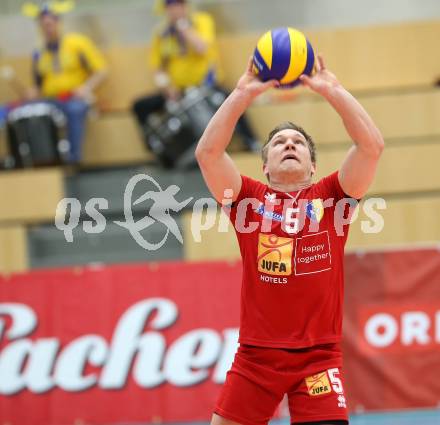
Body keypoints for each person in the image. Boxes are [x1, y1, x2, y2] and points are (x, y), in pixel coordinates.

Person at [195, 55, 384, 425]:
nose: (289, 144)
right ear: (265, 166)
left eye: (298, 141)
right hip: (256, 358)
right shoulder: (248, 201)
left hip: (319, 357)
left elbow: (371, 147)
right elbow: (208, 153)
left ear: (313, 166)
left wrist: (333, 90)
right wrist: (241, 94)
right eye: (279, 142)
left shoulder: (332, 198)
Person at [132, 0, 259, 153]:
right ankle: (158, 152)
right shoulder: (161, 33)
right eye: (170, 6)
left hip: (206, 86)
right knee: (140, 106)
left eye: (178, 5)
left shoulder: (202, 21)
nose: (174, 9)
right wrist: (167, 87)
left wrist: (183, 27)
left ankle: (251, 141)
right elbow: (158, 67)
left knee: (234, 99)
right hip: (177, 91)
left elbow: (202, 47)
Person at [28, 4, 108, 163]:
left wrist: (86, 87)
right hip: (51, 99)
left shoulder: (77, 43)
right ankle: (41, 161)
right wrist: (33, 92)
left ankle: (73, 160)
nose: (47, 28)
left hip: (74, 98)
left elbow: (102, 70)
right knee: (31, 112)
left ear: (58, 22)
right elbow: (38, 84)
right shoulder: (39, 52)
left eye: (50, 24)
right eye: (43, 25)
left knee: (75, 109)